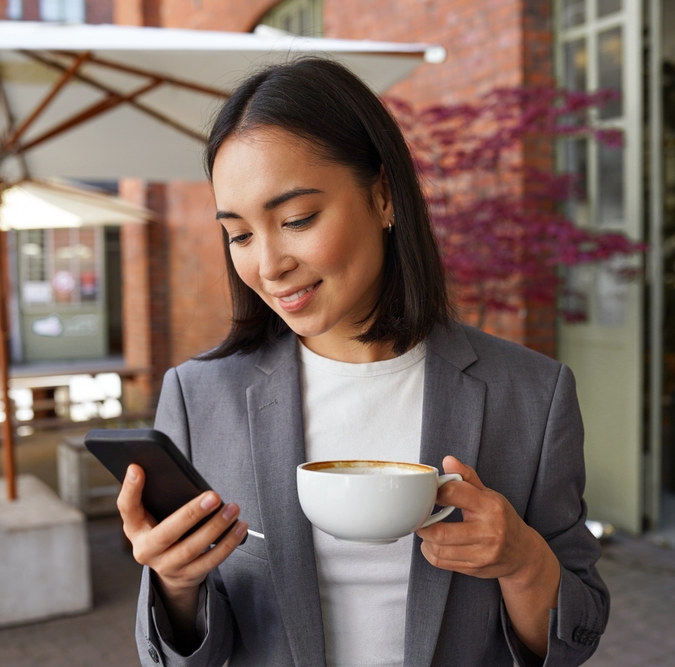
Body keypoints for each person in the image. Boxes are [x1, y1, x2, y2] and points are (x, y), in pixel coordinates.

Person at [118, 57, 609, 667]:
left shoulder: (532, 394)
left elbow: (576, 634)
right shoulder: (199, 399)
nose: (268, 266)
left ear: (382, 197)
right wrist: (175, 584)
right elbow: (169, 652)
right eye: (240, 234)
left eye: (296, 220)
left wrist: (523, 560)